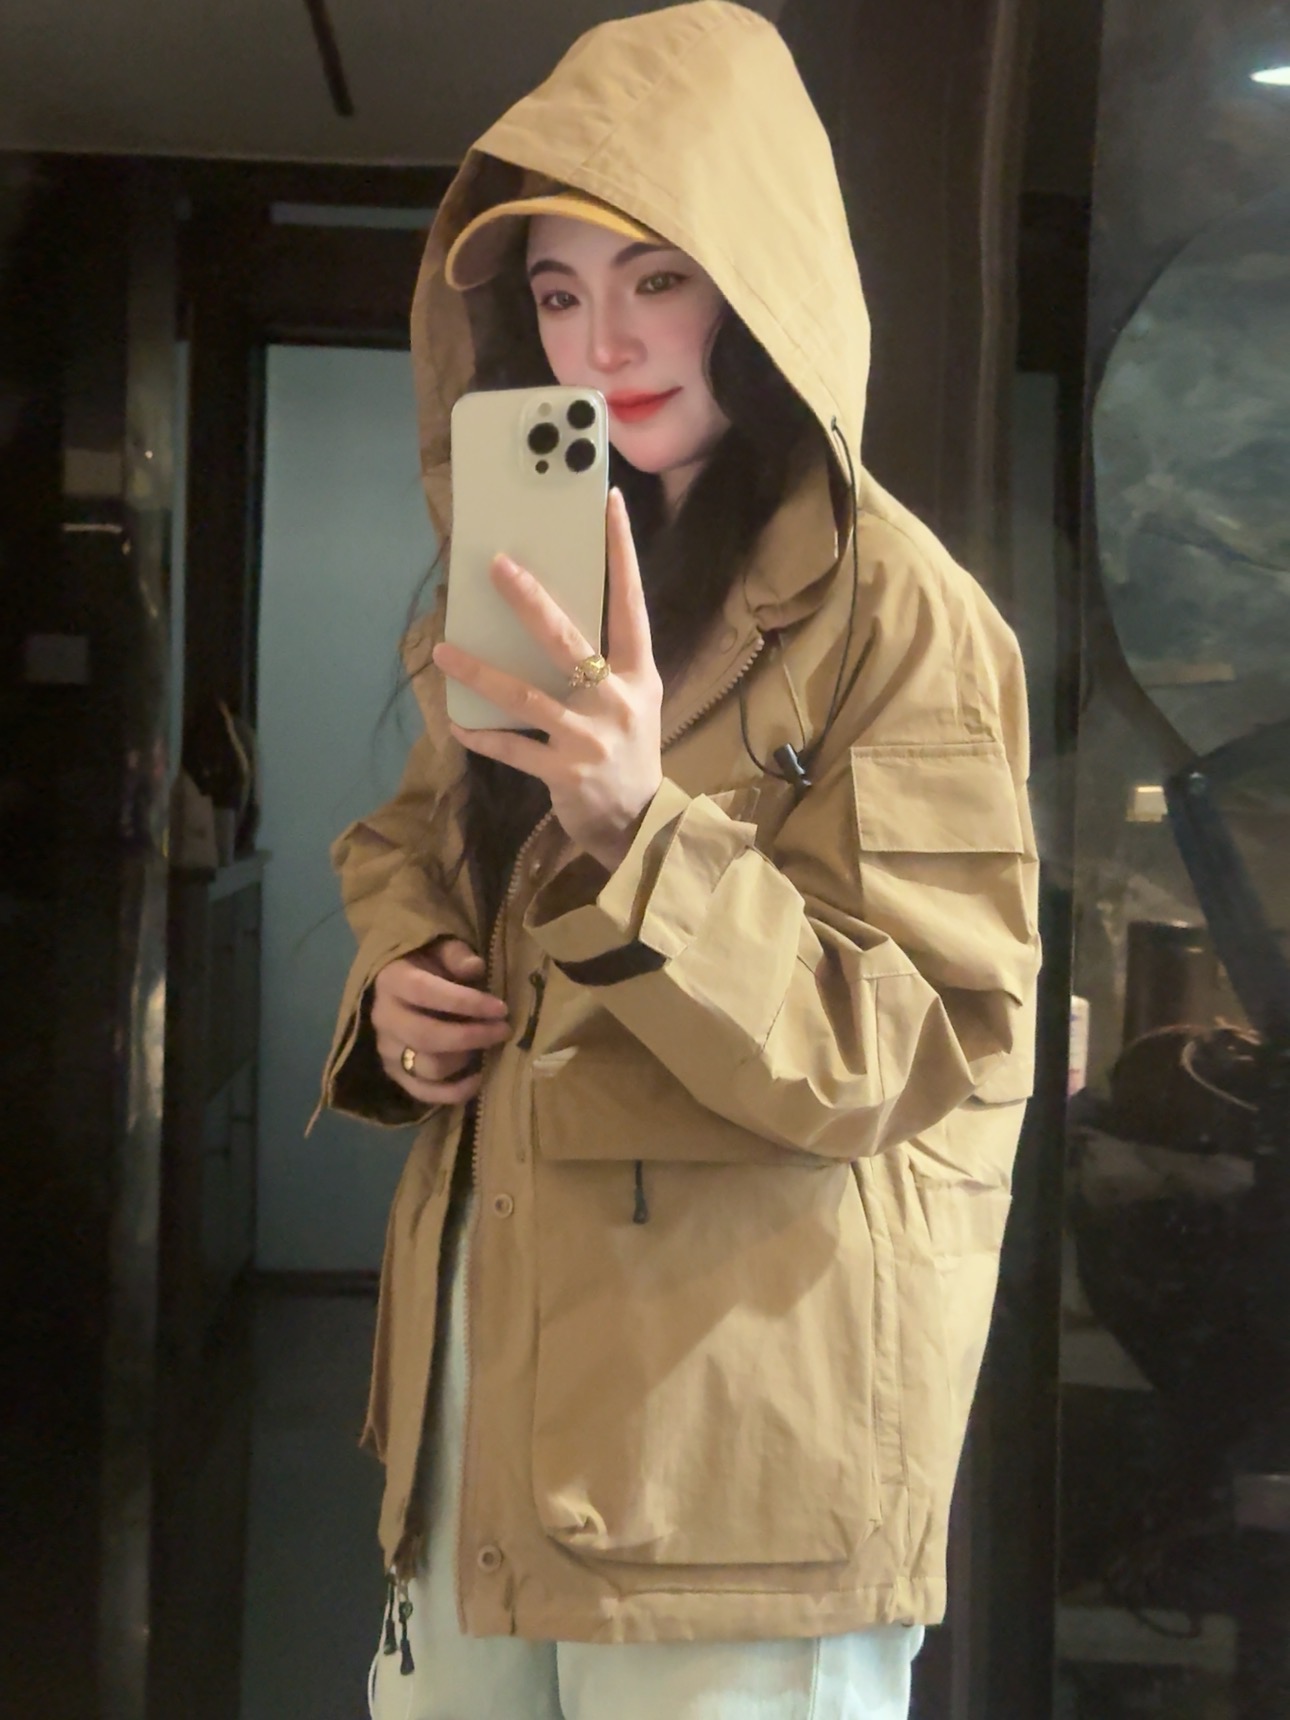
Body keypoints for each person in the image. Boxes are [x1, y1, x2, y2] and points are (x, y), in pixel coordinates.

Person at [318, 4, 1040, 1716]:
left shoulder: (898, 611)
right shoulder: (540, 562)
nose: (605, 341)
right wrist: (403, 986)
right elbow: (413, 842)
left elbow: (918, 1046)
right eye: (557, 293)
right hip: (491, 1391)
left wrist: (644, 836)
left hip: (743, 1441)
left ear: (759, 282)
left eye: (657, 278)